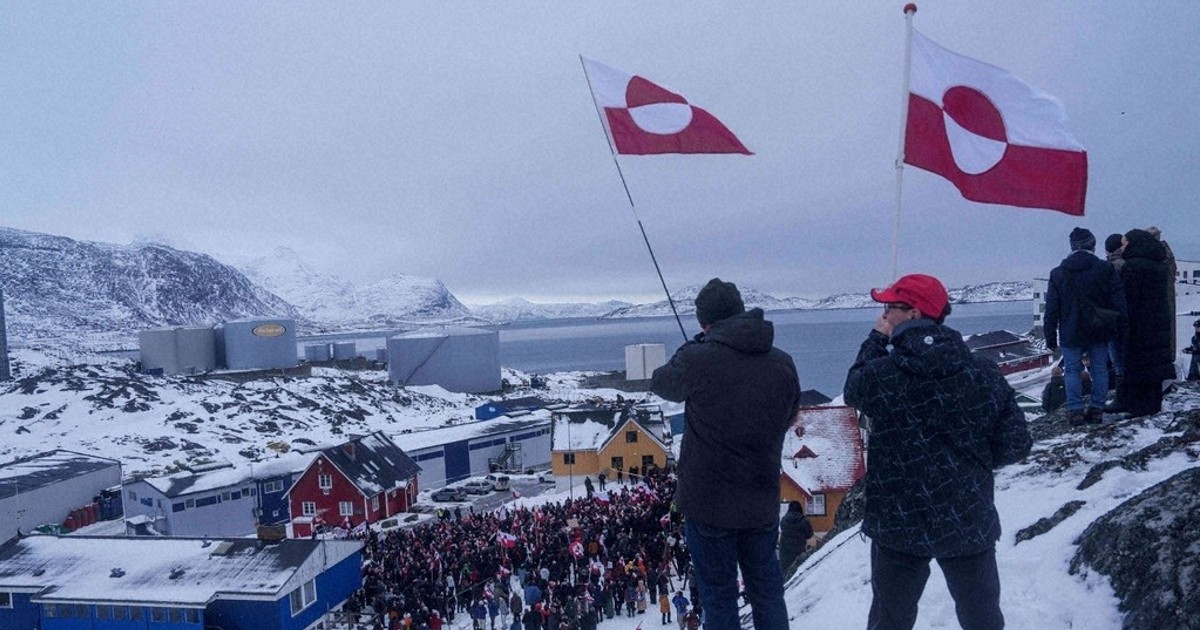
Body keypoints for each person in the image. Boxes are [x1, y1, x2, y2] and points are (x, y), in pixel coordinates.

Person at [843, 273, 1032, 630]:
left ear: (912, 314)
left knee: (890, 620)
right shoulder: (982, 372)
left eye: (890, 307)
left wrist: (876, 339)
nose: (884, 314)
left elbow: (853, 389)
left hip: (899, 519)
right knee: (982, 618)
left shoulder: (884, 374)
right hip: (967, 513)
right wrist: (970, 466)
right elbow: (1016, 443)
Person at [651, 278, 801, 630]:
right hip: (761, 498)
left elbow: (661, 382)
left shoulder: (697, 358)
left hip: (709, 504)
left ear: (706, 322)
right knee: (767, 591)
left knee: (719, 597)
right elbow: (791, 415)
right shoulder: (782, 363)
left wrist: (695, 347)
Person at [1044, 227, 1128, 425]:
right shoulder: (1105, 269)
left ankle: (1075, 411)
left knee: (1071, 370)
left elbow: (1052, 308)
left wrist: (1050, 336)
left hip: (1070, 330)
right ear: (1093, 245)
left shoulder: (1058, 273)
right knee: (1099, 369)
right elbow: (1118, 302)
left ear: (1072, 247)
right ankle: (1097, 409)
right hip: (1099, 327)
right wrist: (1121, 328)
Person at [1117, 229, 1176, 416]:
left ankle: (1137, 407)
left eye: (1124, 243)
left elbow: (1129, 298)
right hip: (1158, 321)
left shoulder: (1133, 267)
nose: (1122, 248)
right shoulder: (1159, 265)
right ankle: (1153, 404)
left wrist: (1123, 322)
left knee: (1138, 364)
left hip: (1139, 324)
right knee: (1154, 366)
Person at [777, 501, 814, 574]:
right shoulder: (804, 520)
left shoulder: (784, 520)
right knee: (797, 572)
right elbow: (809, 534)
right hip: (798, 550)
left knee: (785, 572)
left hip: (785, 551)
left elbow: (782, 529)